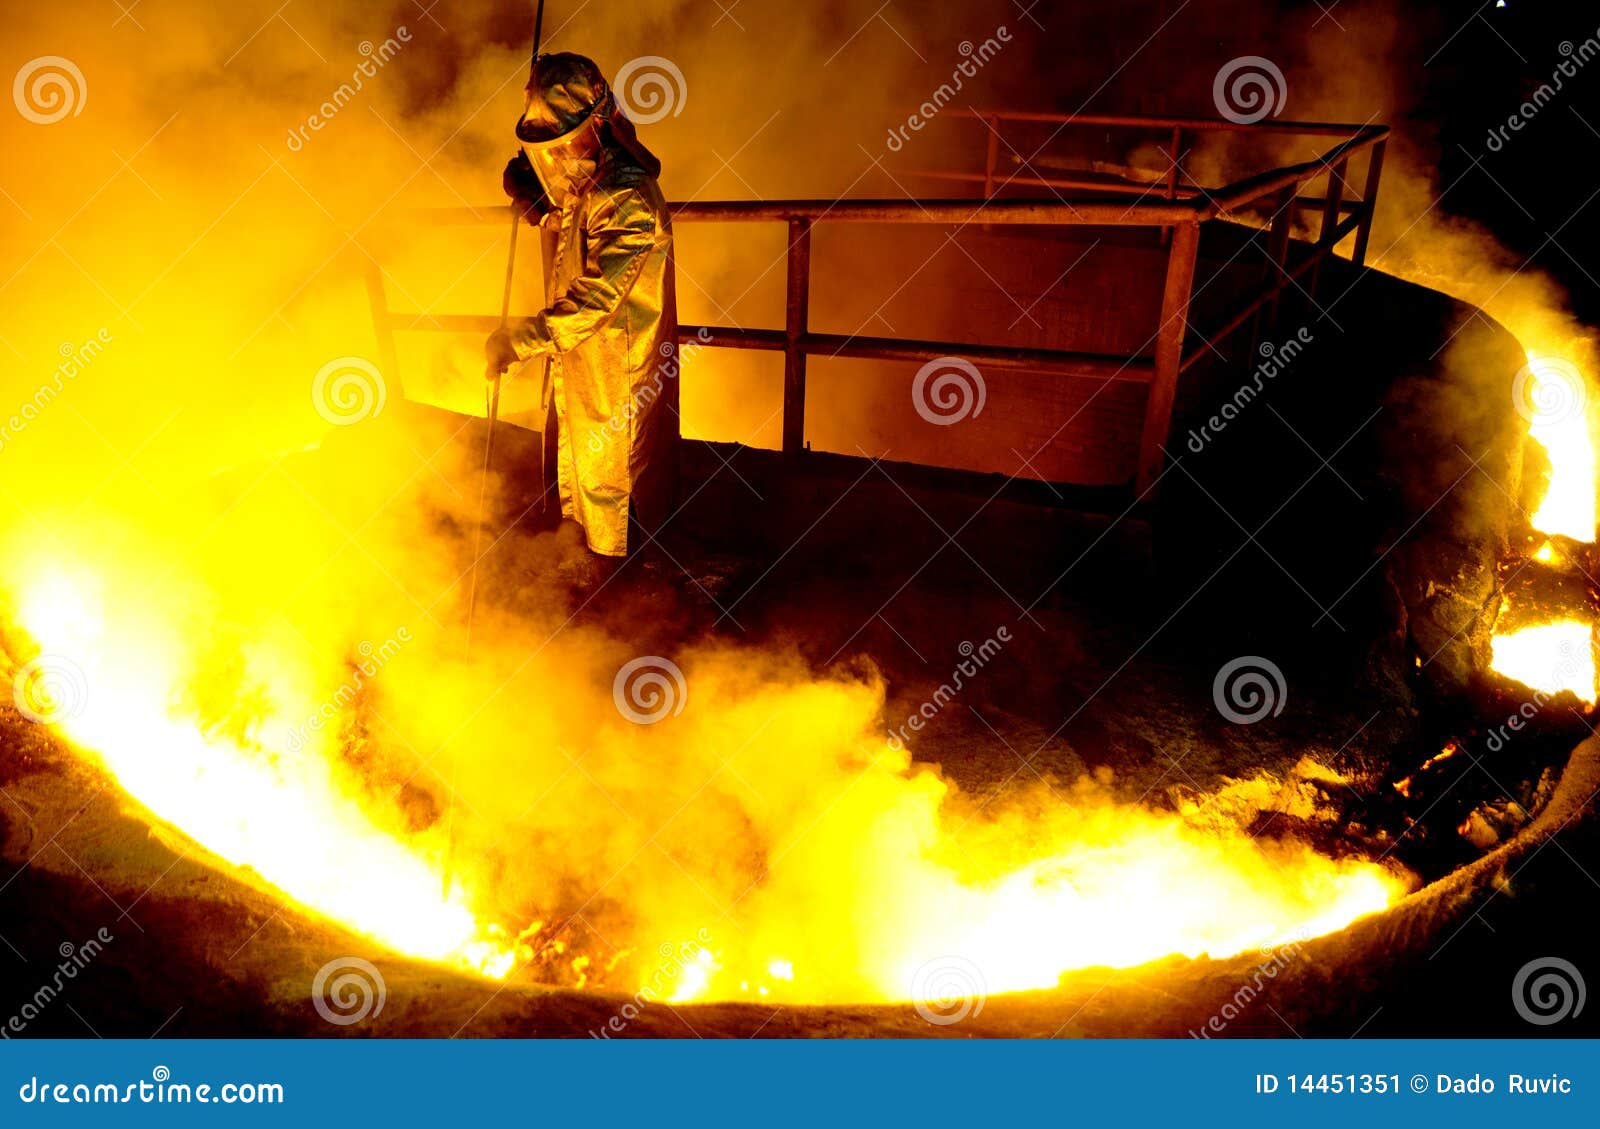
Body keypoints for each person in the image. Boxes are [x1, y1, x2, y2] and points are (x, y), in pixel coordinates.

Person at [486, 53, 678, 569]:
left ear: (600, 123)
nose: (559, 157)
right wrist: (543, 207)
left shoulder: (627, 195)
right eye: (547, 150)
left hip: (621, 375)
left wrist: (521, 340)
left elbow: (596, 296)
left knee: (622, 497)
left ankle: (636, 614)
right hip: (588, 371)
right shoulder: (590, 187)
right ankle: (605, 599)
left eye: (565, 142)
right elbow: (579, 231)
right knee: (592, 497)